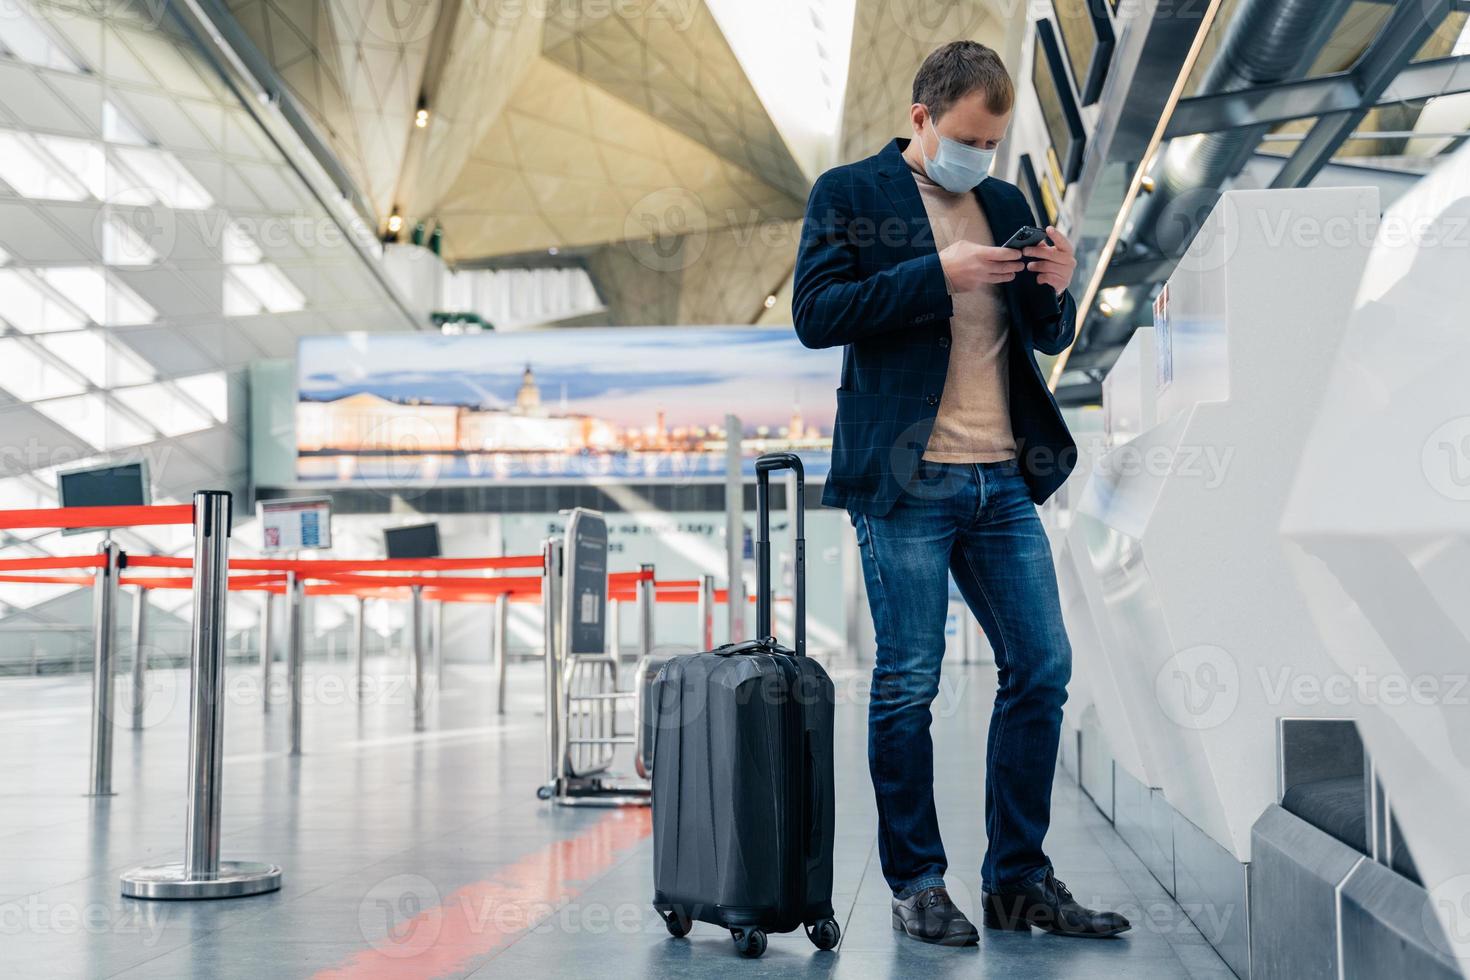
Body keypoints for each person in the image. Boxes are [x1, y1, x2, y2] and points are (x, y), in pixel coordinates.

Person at [792, 40, 1130, 945]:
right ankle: (917, 884)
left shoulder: (1005, 200)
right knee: (908, 682)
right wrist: (935, 274)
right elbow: (816, 316)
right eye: (968, 137)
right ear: (921, 118)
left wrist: (1055, 289)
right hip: (908, 478)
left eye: (993, 139)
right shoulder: (849, 195)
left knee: (1043, 667)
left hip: (1001, 480)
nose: (979, 155)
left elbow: (1040, 336)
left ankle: (1017, 880)